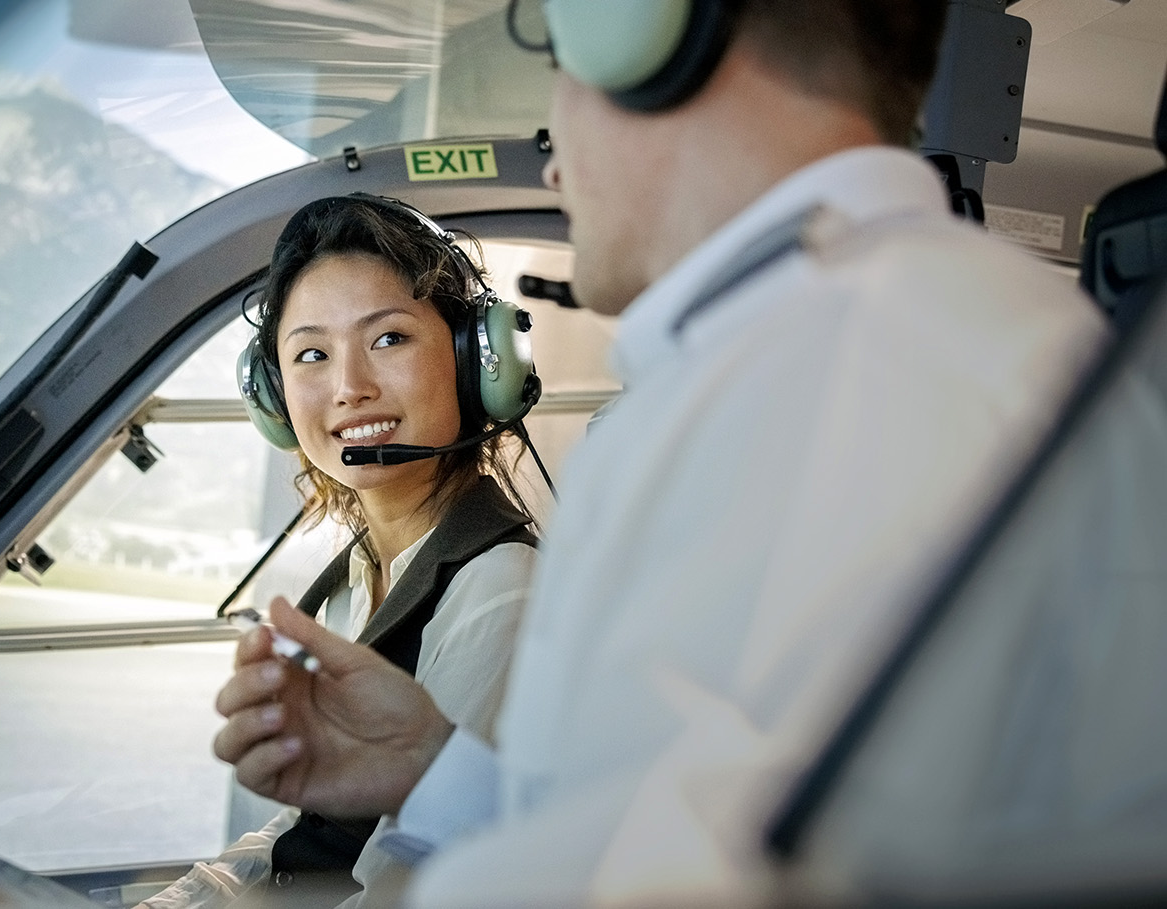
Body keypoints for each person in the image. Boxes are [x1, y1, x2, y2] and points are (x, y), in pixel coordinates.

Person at [212, 2, 1124, 904]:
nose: (554, 153)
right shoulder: (862, 344)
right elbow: (672, 834)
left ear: (650, 30)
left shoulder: (847, 377)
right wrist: (437, 768)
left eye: (559, 60)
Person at [140, 193, 540, 907]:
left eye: (388, 339)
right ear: (274, 397)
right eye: (311, 355)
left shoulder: (501, 591)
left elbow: (413, 884)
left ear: (476, 361)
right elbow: (314, 830)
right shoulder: (358, 574)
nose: (351, 388)